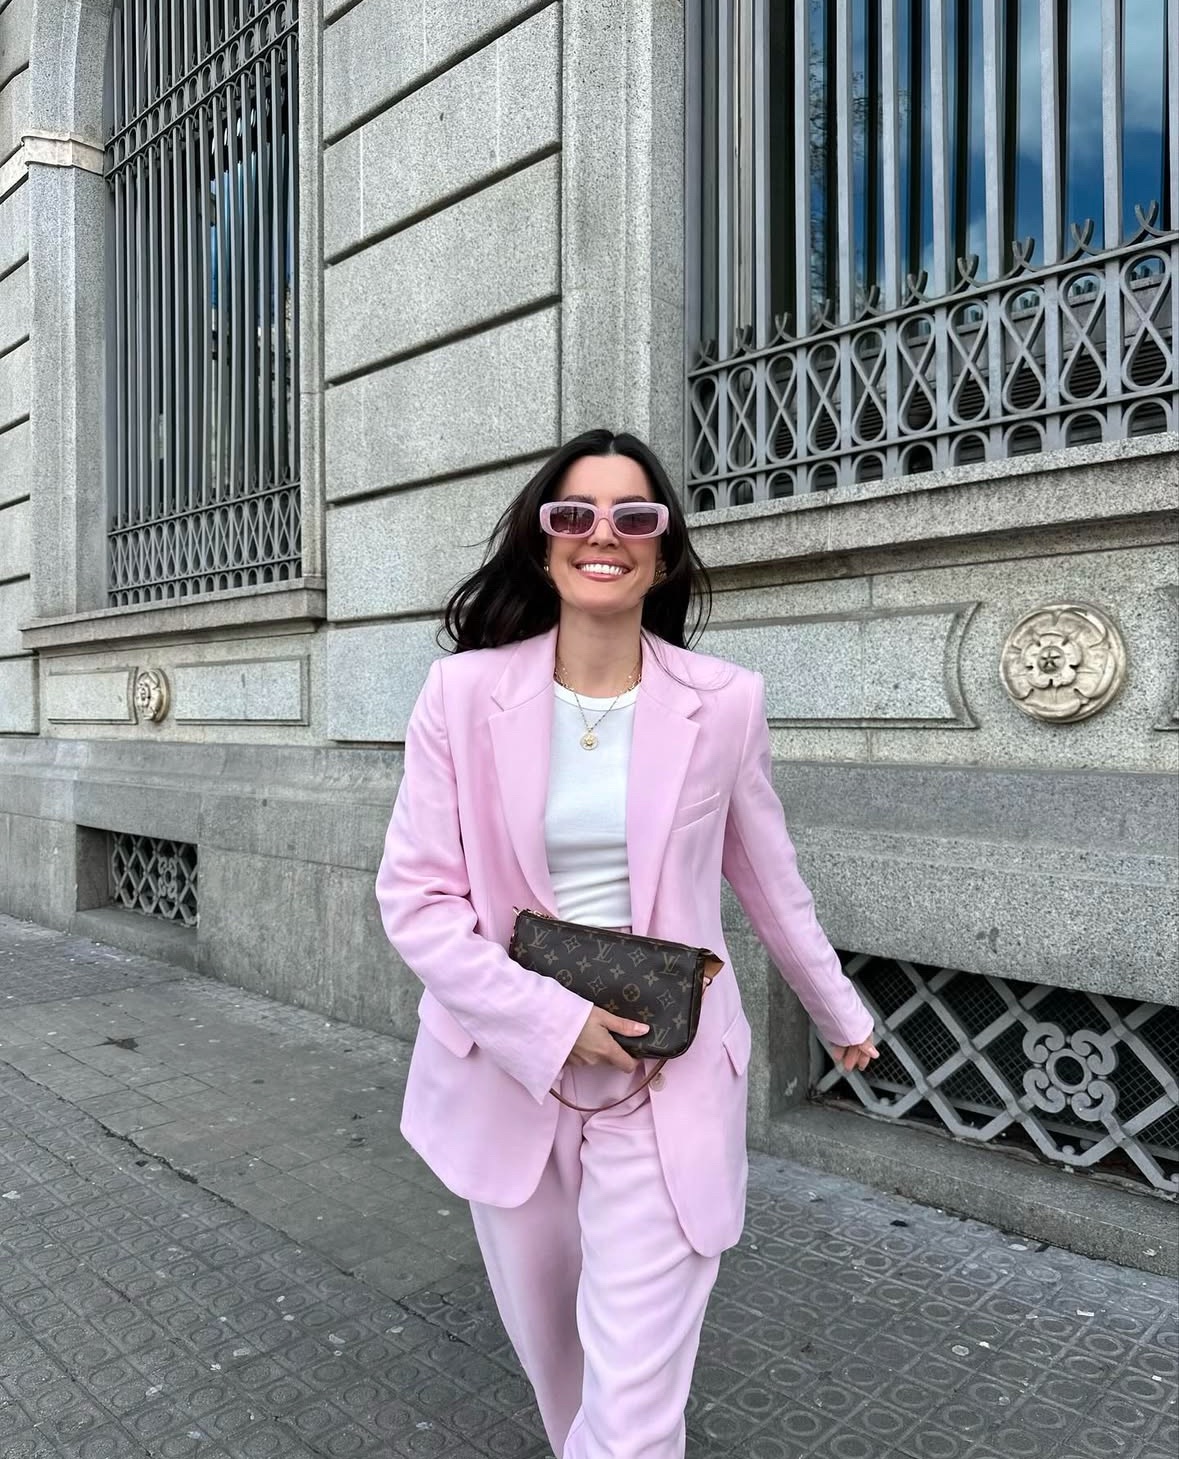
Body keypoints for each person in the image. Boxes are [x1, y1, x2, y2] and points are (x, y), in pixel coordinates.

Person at [375, 429, 878, 1459]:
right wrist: (555, 1023)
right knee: (563, 1370)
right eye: (574, 515)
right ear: (541, 542)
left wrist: (839, 1013)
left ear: (665, 549)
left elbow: (768, 874)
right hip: (513, 1071)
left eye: (633, 516)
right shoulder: (463, 695)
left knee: (637, 1392)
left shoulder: (723, 701)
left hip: (672, 1072)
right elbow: (418, 898)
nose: (603, 535)